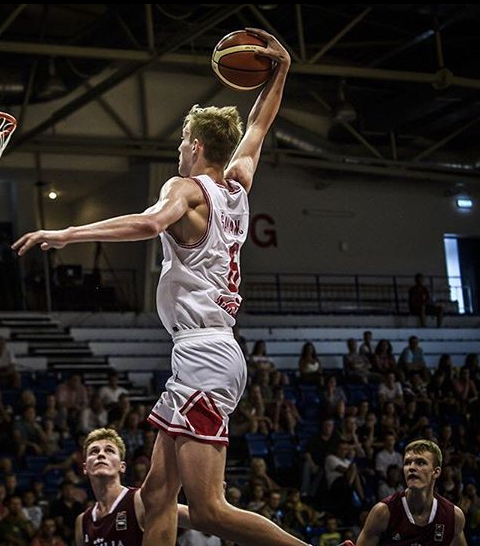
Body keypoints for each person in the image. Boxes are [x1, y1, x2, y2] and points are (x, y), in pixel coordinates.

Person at [15, 28, 299, 546]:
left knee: (210, 511)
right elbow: (259, 123)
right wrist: (281, 70)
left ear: (193, 147)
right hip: (207, 349)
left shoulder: (184, 189)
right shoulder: (238, 182)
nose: (177, 152)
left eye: (179, 145)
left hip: (204, 353)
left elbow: (149, 225)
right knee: (157, 495)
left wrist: (68, 233)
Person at [355, 439, 466, 546]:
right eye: (407, 463)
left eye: (421, 463)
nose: (412, 467)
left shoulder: (453, 516)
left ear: (436, 472)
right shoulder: (383, 512)